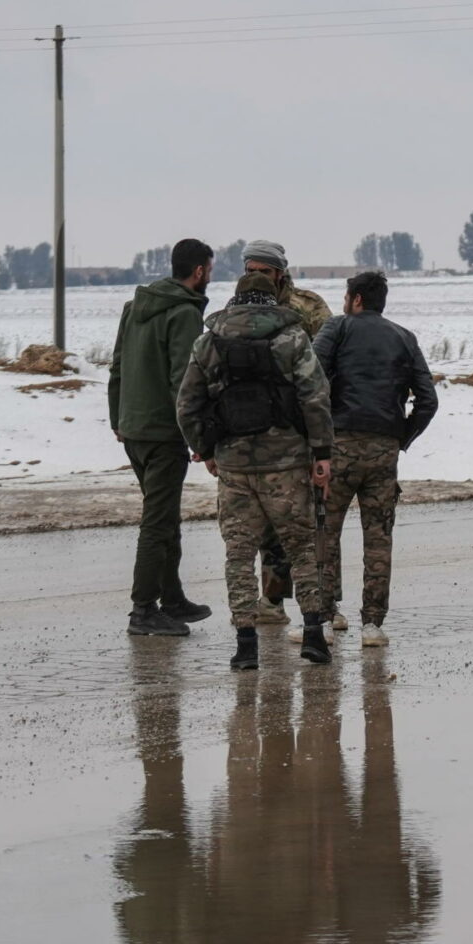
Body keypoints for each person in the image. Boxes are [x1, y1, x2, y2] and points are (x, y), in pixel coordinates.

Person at [175, 266, 337, 670]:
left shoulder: (210, 340)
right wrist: (322, 453)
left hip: (234, 466)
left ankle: (246, 644)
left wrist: (206, 448)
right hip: (286, 462)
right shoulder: (293, 337)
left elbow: (186, 405)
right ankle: (314, 634)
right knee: (302, 549)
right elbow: (315, 397)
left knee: (238, 554)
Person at [312, 270, 437, 649]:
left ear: (356, 299)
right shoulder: (403, 337)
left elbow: (310, 380)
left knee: (325, 532)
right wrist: (402, 436)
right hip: (383, 449)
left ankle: (326, 613)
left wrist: (316, 438)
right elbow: (428, 400)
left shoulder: (338, 328)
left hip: (339, 446)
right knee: (379, 538)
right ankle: (373, 623)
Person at [108, 237, 215, 637]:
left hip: (134, 429)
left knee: (165, 518)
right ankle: (143, 610)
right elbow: (183, 382)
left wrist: (117, 418)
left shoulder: (135, 307)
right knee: (157, 522)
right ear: (199, 271)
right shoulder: (184, 314)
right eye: (210, 269)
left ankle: (172, 599)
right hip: (163, 433)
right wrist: (197, 437)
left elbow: (116, 366)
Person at [235, 240, 332, 626]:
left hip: (297, 427)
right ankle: (272, 600)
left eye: (263, 269)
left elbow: (324, 366)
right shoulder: (237, 307)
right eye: (250, 268)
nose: (256, 276)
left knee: (304, 524)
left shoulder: (307, 307)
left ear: (279, 272)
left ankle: (321, 606)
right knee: (261, 527)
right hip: (249, 430)